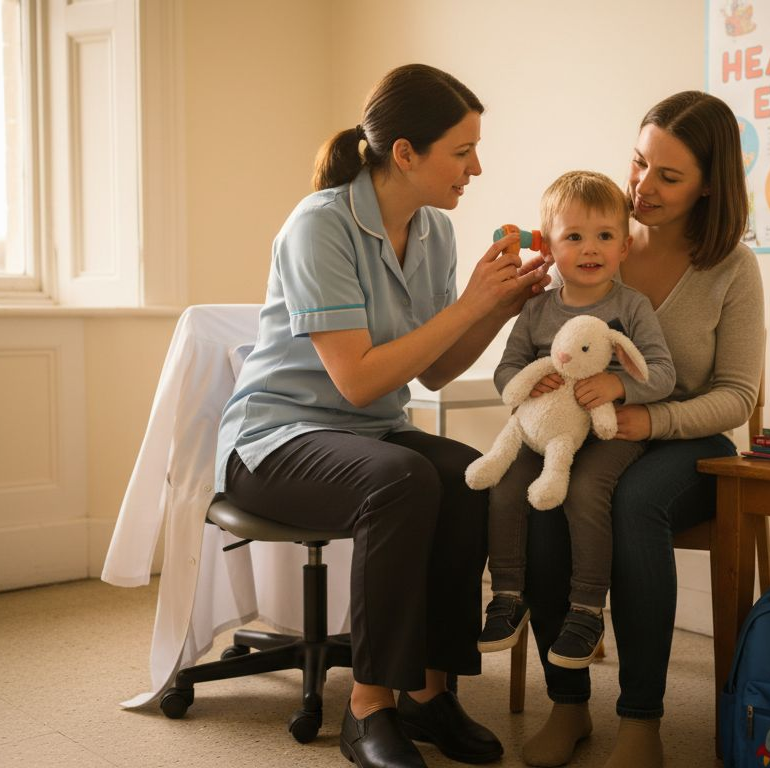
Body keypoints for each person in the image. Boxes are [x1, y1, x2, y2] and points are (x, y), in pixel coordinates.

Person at [213, 64, 549, 768]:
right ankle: (369, 707)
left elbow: (432, 370)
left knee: (467, 474)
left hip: (366, 438)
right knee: (402, 478)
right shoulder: (320, 226)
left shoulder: (432, 231)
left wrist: (496, 307)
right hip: (277, 443)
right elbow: (360, 380)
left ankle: (430, 695)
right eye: (462, 152)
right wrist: (467, 304)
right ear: (405, 153)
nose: (476, 168)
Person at [519, 92, 765, 768]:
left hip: (688, 443)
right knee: (543, 501)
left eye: (668, 176)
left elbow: (737, 396)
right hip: (593, 433)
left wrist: (650, 418)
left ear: (710, 184)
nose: (641, 187)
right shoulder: (602, 243)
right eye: (638, 164)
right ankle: (567, 705)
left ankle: (639, 720)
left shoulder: (733, 268)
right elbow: (547, 332)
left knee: (633, 507)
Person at [474, 171, 675, 670]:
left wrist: (618, 385)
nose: (591, 249)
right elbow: (507, 368)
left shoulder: (632, 306)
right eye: (575, 237)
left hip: (607, 431)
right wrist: (522, 385)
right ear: (550, 247)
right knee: (502, 485)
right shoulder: (538, 308)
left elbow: (663, 374)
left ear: (624, 246)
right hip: (543, 430)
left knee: (586, 491)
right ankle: (507, 594)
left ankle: (587, 608)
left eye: (605, 236)